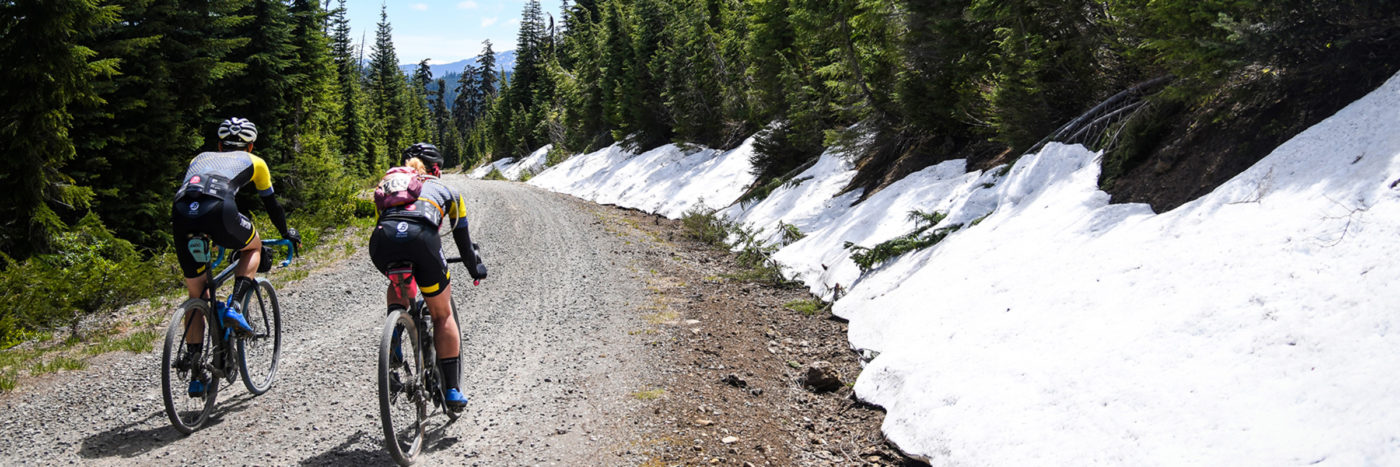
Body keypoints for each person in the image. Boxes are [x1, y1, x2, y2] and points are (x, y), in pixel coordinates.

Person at [171, 117, 300, 397]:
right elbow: (271, 204)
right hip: (219, 209)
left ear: (219, 145)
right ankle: (235, 306)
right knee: (252, 247)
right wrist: (286, 232)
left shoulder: (200, 156)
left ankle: (196, 369)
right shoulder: (255, 162)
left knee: (197, 296)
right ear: (250, 145)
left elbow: (197, 191)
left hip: (182, 211)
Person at [368, 142, 486, 410]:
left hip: (382, 241)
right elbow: (464, 244)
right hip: (422, 241)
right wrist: (474, 268)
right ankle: (453, 389)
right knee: (442, 315)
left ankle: (396, 330)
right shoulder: (449, 191)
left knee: (398, 277)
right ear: (436, 169)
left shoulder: (390, 184)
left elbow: (382, 220)